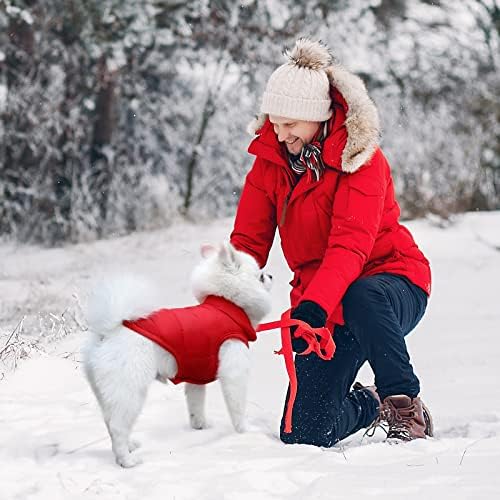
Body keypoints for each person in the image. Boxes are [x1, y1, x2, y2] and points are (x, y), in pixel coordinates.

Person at [230, 38, 433, 447]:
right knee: (302, 432)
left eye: (292, 124)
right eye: (275, 121)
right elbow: (248, 240)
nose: (281, 133)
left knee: (362, 294)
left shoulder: (361, 160)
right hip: (320, 304)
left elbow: (350, 247)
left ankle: (403, 402)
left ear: (319, 117)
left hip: (389, 283)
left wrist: (315, 305)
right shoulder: (269, 162)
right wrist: (228, 297)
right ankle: (370, 404)